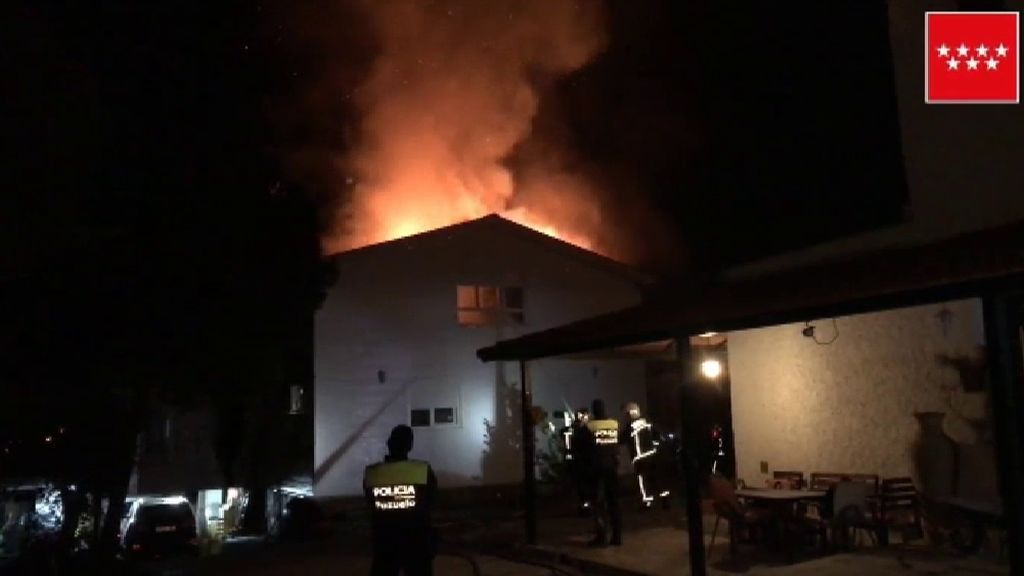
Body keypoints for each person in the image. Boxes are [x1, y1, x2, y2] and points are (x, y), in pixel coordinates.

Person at [363, 425, 438, 576]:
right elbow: (432, 499)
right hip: (417, 541)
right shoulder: (422, 470)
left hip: (385, 540)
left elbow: (370, 502)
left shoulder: (372, 473)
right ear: (410, 446)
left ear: (389, 443)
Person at [581, 399, 622, 547]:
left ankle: (602, 537)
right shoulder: (614, 424)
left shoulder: (589, 427)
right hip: (612, 468)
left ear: (593, 410)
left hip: (596, 469)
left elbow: (583, 448)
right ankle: (617, 537)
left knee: (598, 504)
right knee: (614, 502)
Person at [624, 402, 671, 510]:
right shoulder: (647, 423)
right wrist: (654, 447)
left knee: (643, 482)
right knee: (657, 478)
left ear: (630, 413)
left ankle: (647, 503)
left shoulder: (630, 427)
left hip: (640, 459)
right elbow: (658, 437)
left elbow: (622, 439)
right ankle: (665, 501)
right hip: (652, 455)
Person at [569, 408, 592, 514]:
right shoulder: (581, 430)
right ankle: (585, 505)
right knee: (583, 485)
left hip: (583, 461)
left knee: (584, 485)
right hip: (582, 462)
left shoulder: (578, 430)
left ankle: (585, 505)